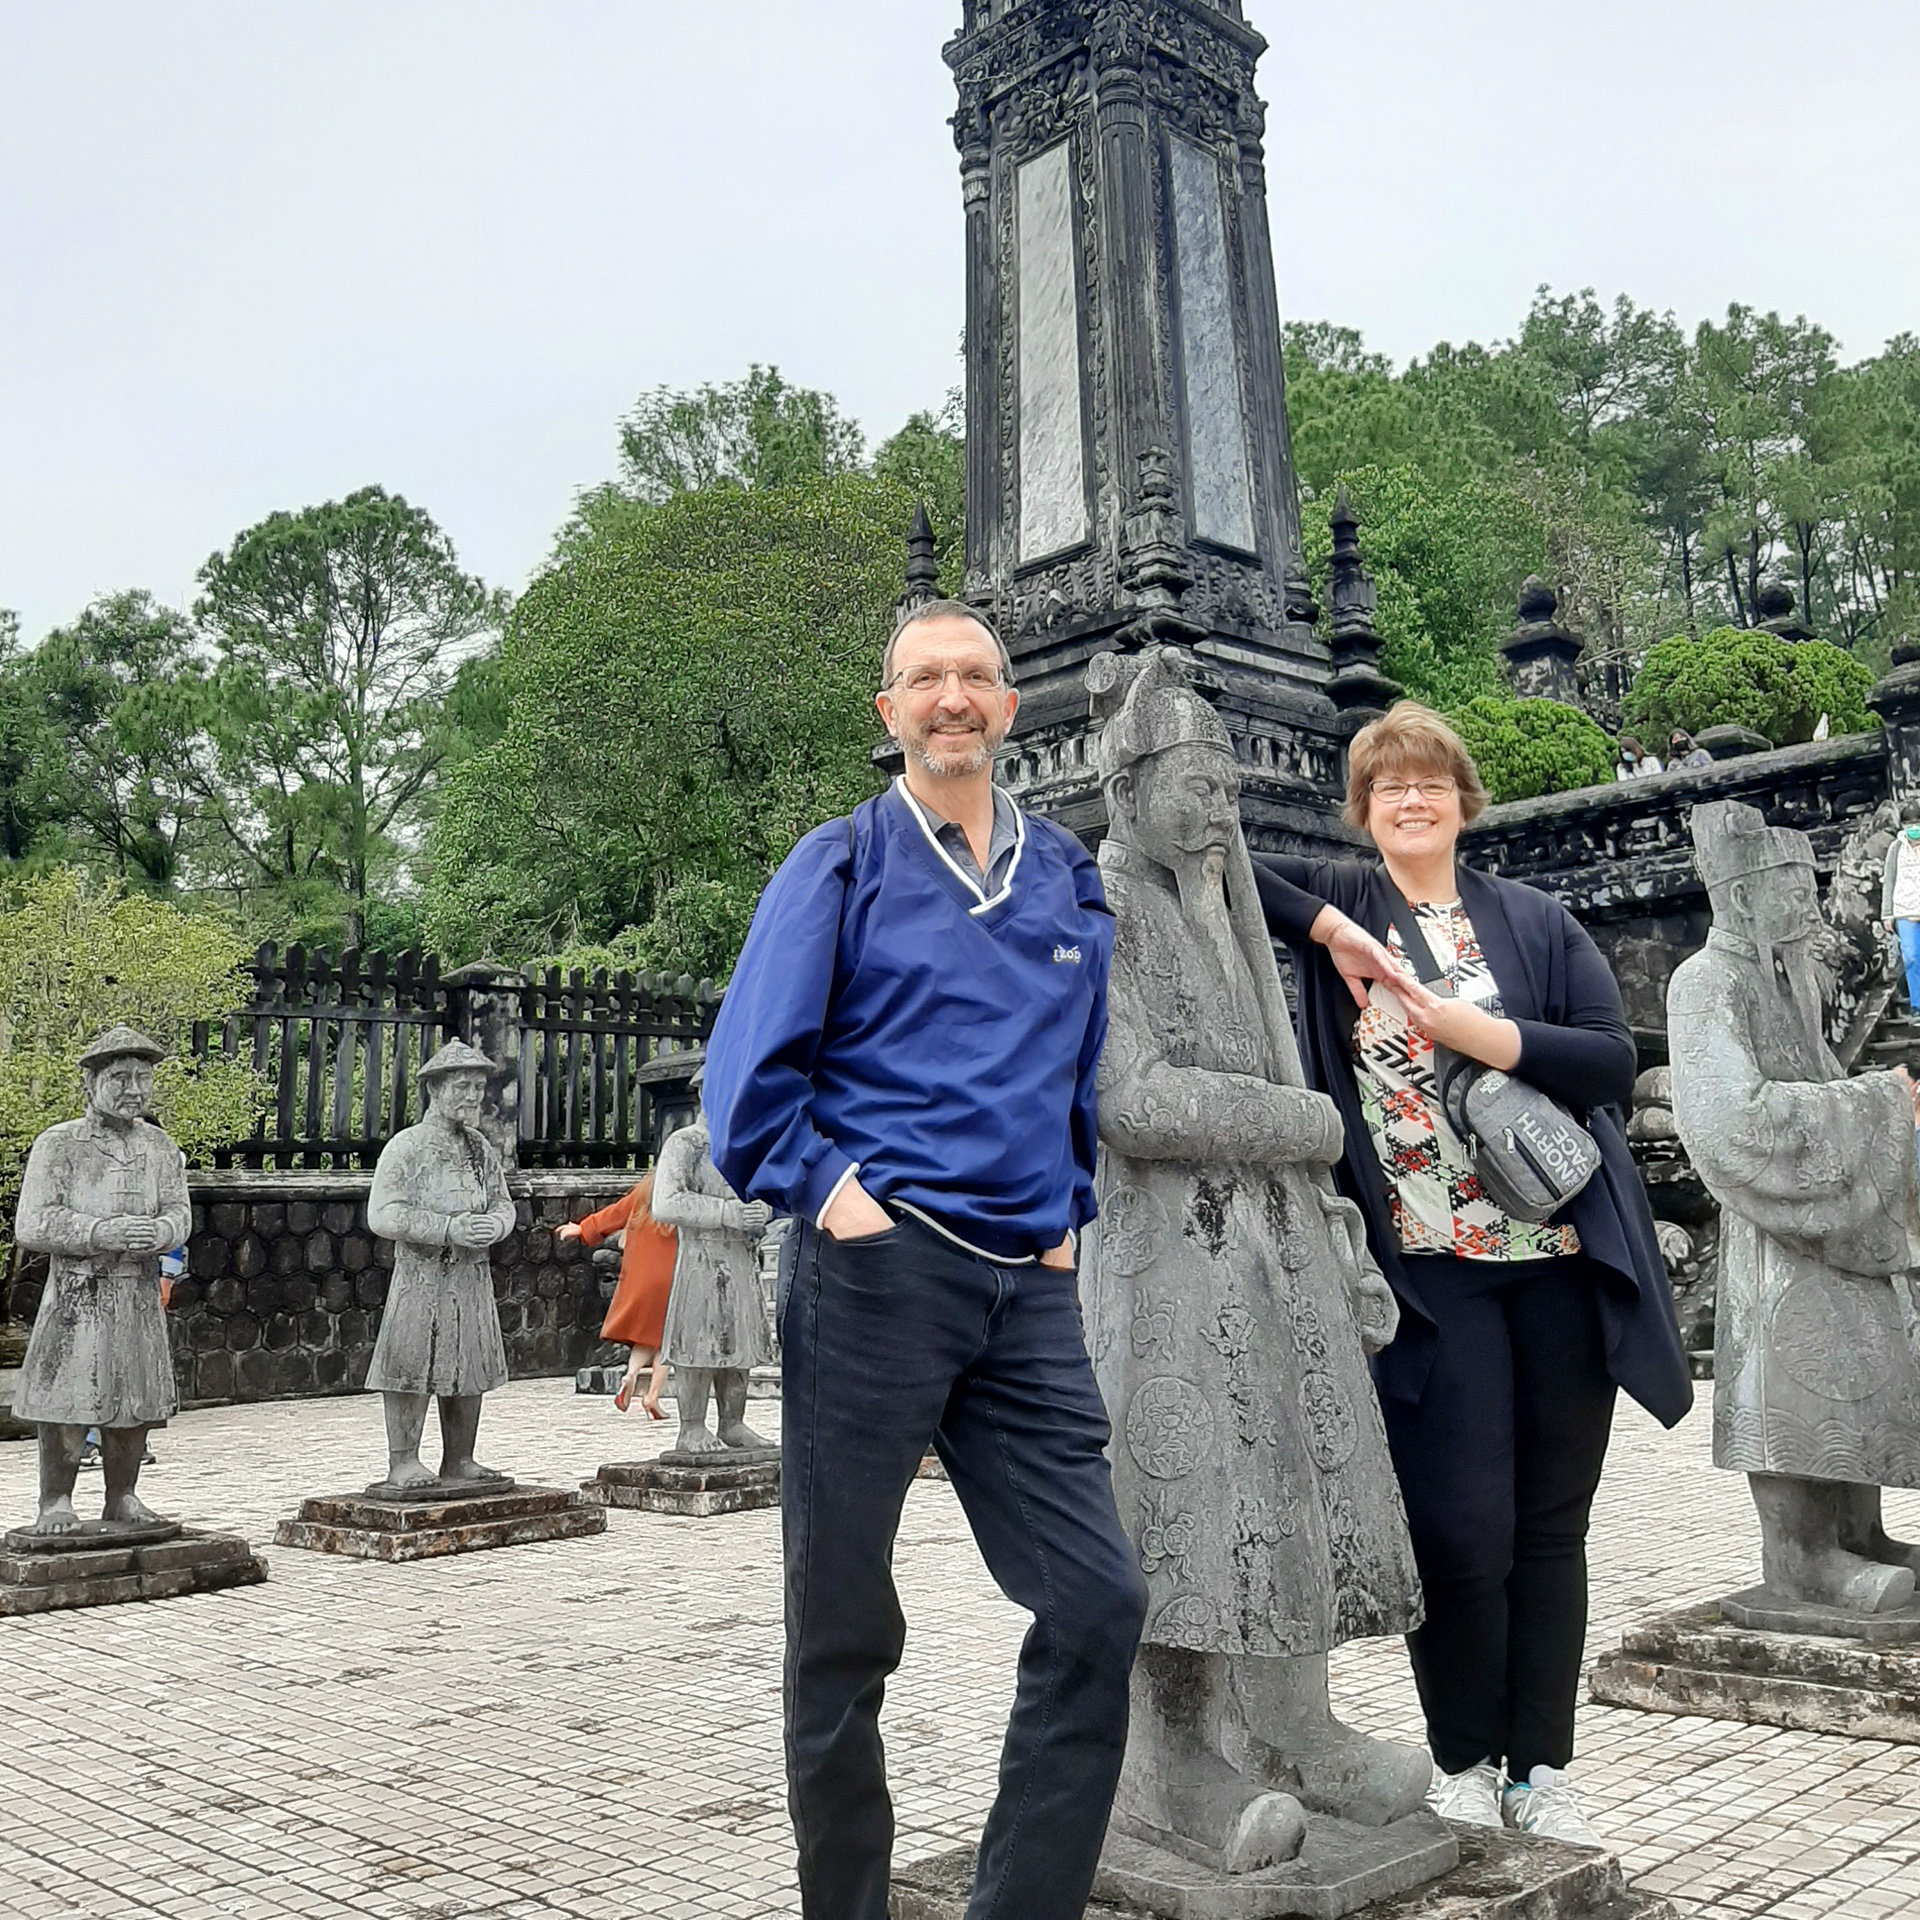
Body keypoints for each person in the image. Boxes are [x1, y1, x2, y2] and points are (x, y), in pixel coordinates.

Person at [702, 599, 1145, 1920]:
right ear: (888, 715)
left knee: (1098, 1603)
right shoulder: (838, 863)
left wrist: (1066, 1214)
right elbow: (748, 1088)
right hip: (875, 1272)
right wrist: (837, 1200)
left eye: (976, 678)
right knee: (843, 1629)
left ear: (1012, 709)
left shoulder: (1066, 876)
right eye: (924, 680)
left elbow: (1077, 1068)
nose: (952, 698)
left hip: (1026, 1288)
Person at [1252, 702, 1692, 1847]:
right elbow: (1213, 860)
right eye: (1389, 786)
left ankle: (1541, 1767)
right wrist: (1336, 936)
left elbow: (1607, 1054)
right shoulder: (1349, 907)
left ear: (1462, 799)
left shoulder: (1531, 921)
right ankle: (1463, 1756)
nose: (1412, 800)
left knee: (1550, 1526)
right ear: (1362, 810)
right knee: (1458, 1530)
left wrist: (1477, 1032)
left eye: (1431, 783)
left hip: (1553, 1258)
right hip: (1431, 1273)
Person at [13, 1025, 189, 1534]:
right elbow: (33, 1221)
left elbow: (180, 1213)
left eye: (144, 1077)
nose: (135, 1089)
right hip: (78, 1293)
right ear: (90, 1082)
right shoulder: (59, 1145)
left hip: (135, 1290)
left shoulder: (159, 1146)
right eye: (121, 1077)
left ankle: (123, 1496)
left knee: (133, 1397)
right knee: (67, 1396)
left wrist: (158, 1230)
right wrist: (98, 1230)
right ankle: (56, 1501)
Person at [364, 1039, 517, 1490]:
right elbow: (383, 1214)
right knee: (411, 1363)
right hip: (421, 1276)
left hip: (470, 1275)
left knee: (470, 1364)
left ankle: (460, 1458)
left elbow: (503, 1204)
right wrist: (447, 1229)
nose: (472, 1096)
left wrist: (495, 1225)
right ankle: (404, 1460)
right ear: (435, 1088)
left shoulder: (480, 1148)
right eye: (463, 1086)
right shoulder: (406, 1147)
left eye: (478, 1087)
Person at [559, 1174, 675, 1416]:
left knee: (646, 1337)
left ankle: (630, 1376)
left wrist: (582, 1228)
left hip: (639, 1273)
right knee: (667, 1340)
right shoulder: (683, 1195)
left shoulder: (644, 1191)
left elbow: (615, 1213)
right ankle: (652, 1397)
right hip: (670, 1273)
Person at [1882, 803, 1920, 1015]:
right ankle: (1917, 1007)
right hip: (1904, 911)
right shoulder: (1896, 848)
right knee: (1912, 957)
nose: (1913, 827)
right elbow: (1889, 880)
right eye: (1909, 823)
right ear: (1903, 825)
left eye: (1917, 822)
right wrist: (1887, 913)